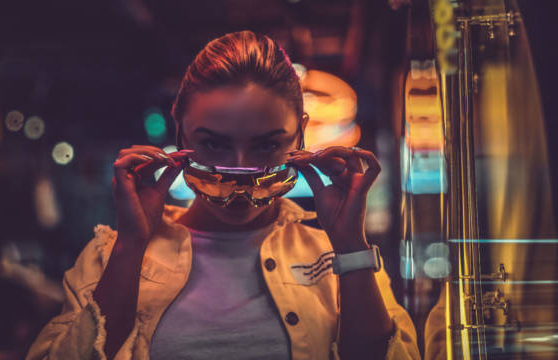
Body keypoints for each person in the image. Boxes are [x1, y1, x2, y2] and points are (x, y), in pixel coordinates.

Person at [26, 30, 420, 360]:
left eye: (266, 146)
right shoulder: (108, 255)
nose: (238, 170)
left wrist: (350, 245)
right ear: (180, 130)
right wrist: (131, 245)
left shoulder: (332, 255)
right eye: (213, 144)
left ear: (300, 135)